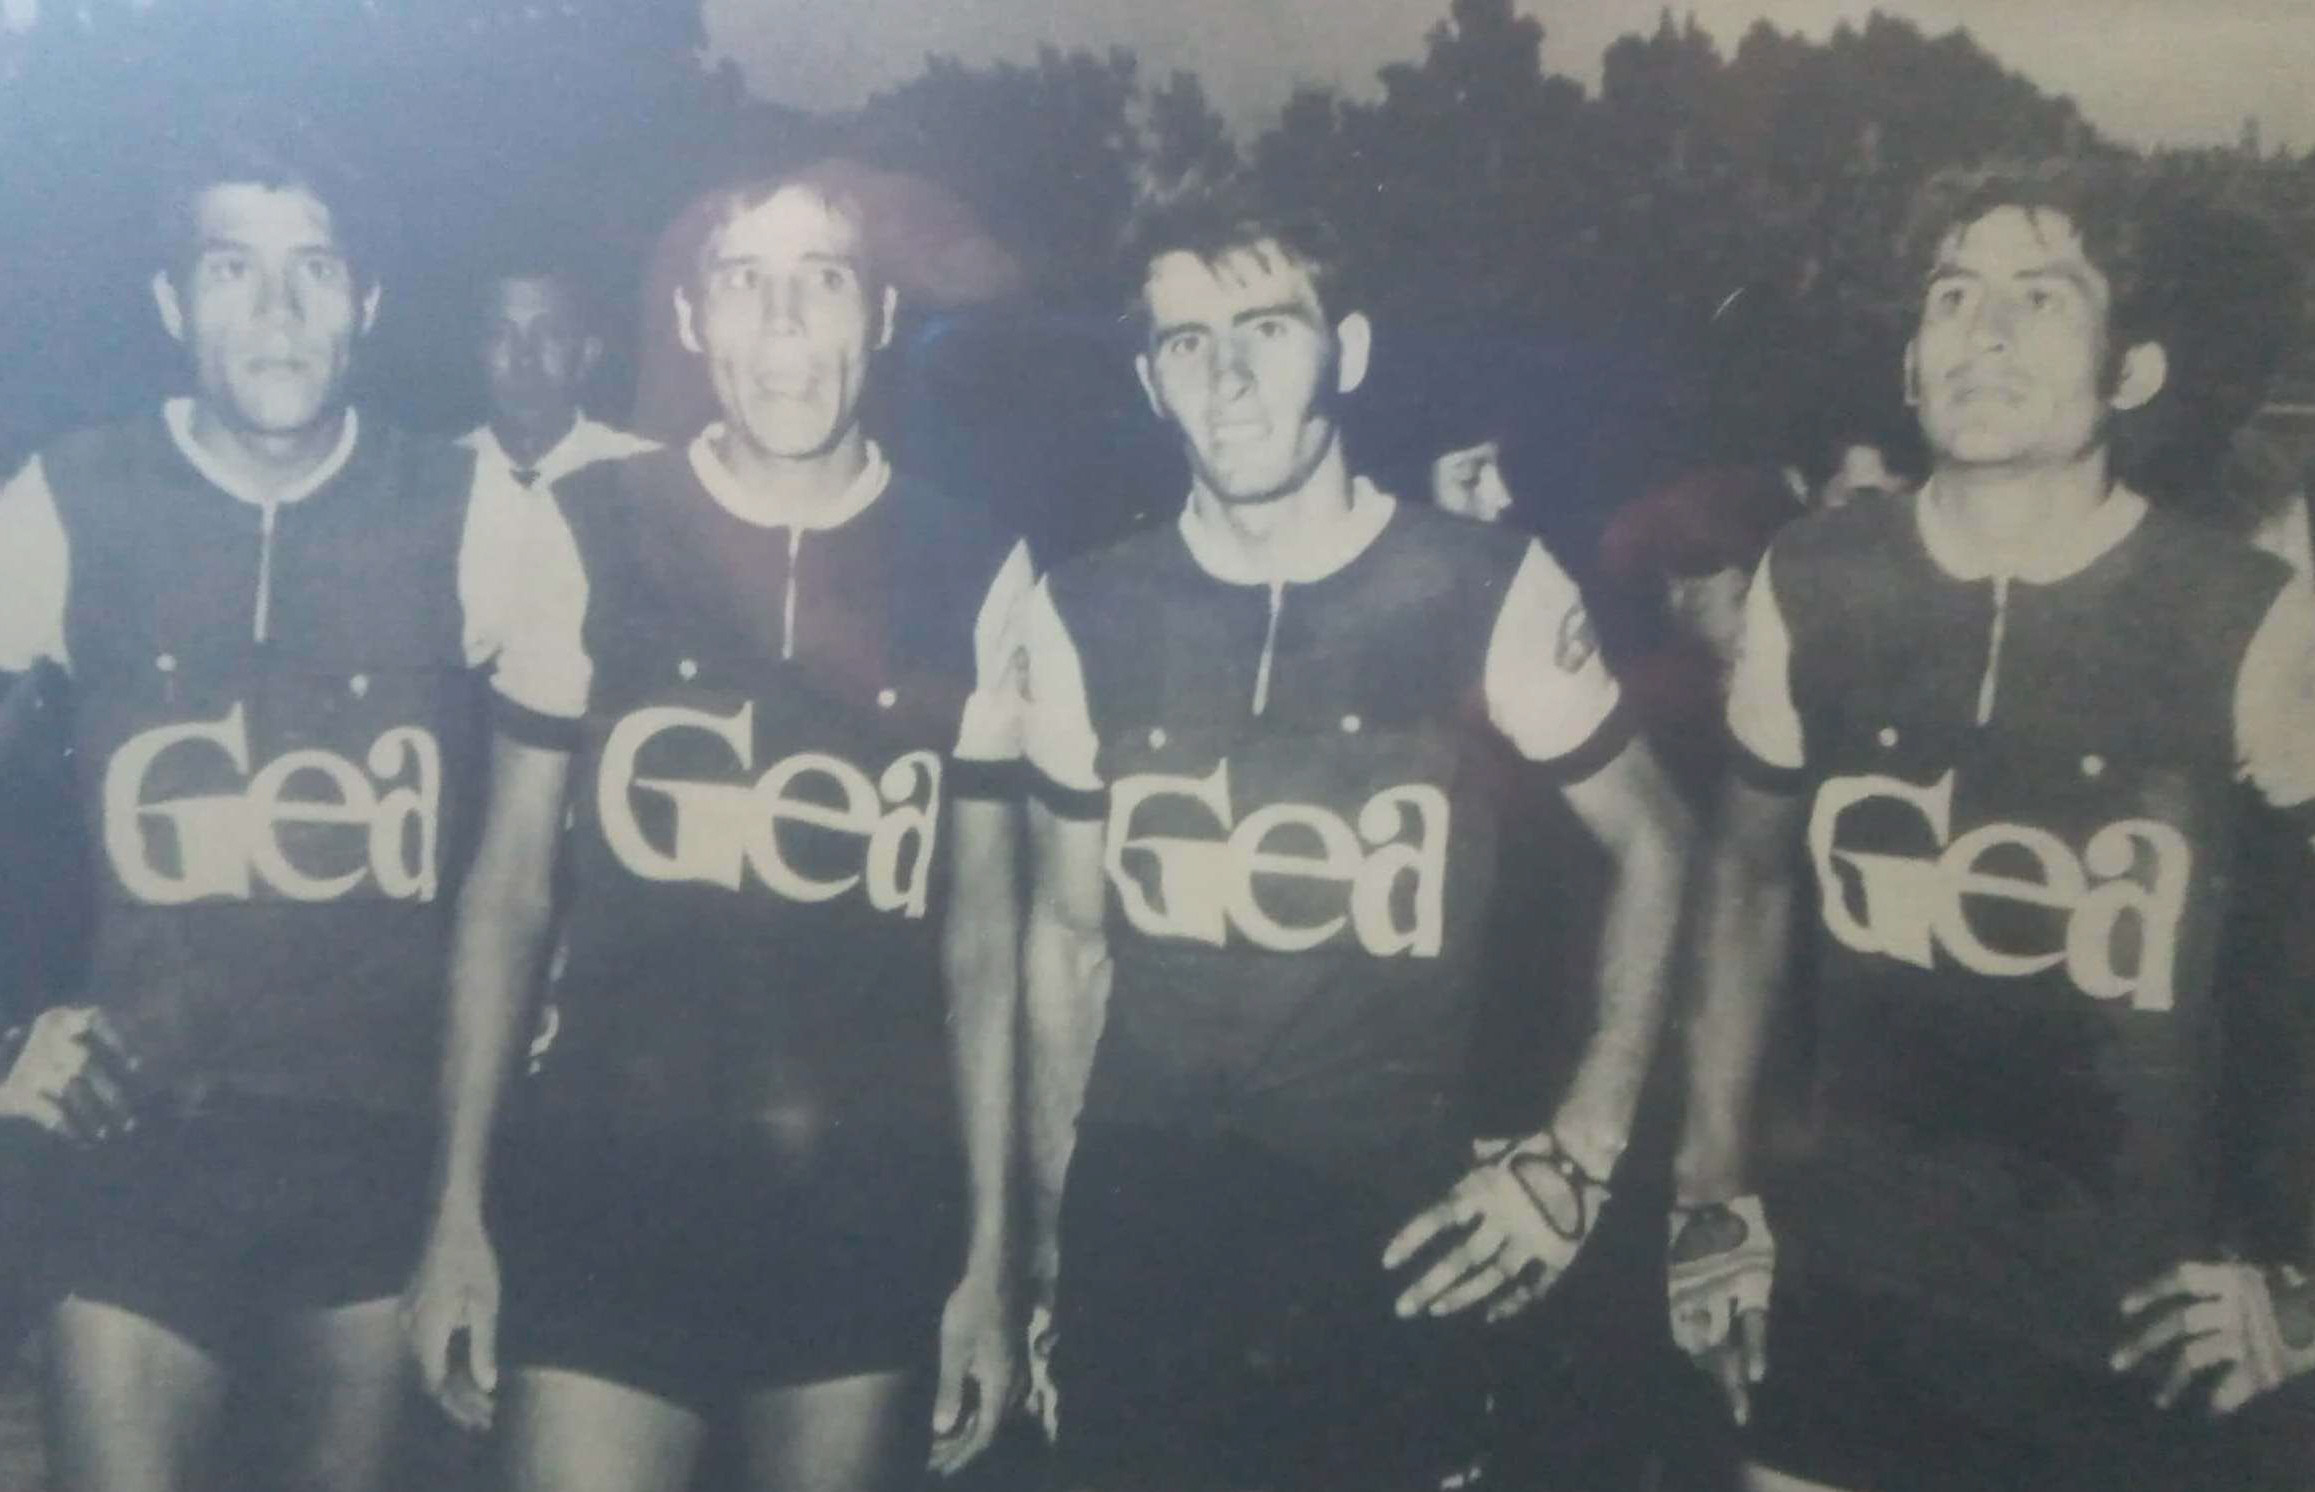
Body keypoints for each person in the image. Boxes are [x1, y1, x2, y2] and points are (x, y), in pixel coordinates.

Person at [1016, 178, 1693, 1492]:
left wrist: (1582, 1150)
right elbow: (1065, 938)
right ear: (1148, 381)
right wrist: (1053, 1246)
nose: (1225, 378)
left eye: (1266, 329)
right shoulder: (1081, 608)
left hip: (1388, 1237)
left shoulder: (1477, 584)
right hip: (1141, 1242)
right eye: (1184, 342)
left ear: (1350, 351)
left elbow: (1659, 844)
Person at [1670, 158, 2315, 1492]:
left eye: (2041, 297)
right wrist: (1710, 1186)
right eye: (1952, 297)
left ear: (2130, 370)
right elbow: (1744, 881)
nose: (1985, 332)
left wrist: (2302, 1278)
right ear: (1908, 366)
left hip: (2134, 1322)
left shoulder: (2243, 614)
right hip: (1852, 1288)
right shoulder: (1815, 578)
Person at [404, 164, 1030, 1492]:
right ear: (689, 322)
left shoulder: (975, 566)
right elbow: (508, 891)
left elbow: (984, 944)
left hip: (857, 1212)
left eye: (823, 283)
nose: (783, 325)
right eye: (744, 284)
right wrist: (455, 1209)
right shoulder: (591, 531)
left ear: (880, 318)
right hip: (605, 1191)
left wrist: (991, 1254)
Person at [0, 101, 522, 1492]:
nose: (278, 311)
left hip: (383, 1150)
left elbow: (559, 841)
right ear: (171, 303)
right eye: (233, 267)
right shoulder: (70, 499)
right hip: (141, 1135)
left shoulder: (473, 510)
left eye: (316, 266)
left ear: (368, 303)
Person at [460, 266, 654, 495]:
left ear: (587, 354)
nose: (525, 357)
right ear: (479, 353)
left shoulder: (645, 472)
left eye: (549, 333)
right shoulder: (443, 476)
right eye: (500, 334)